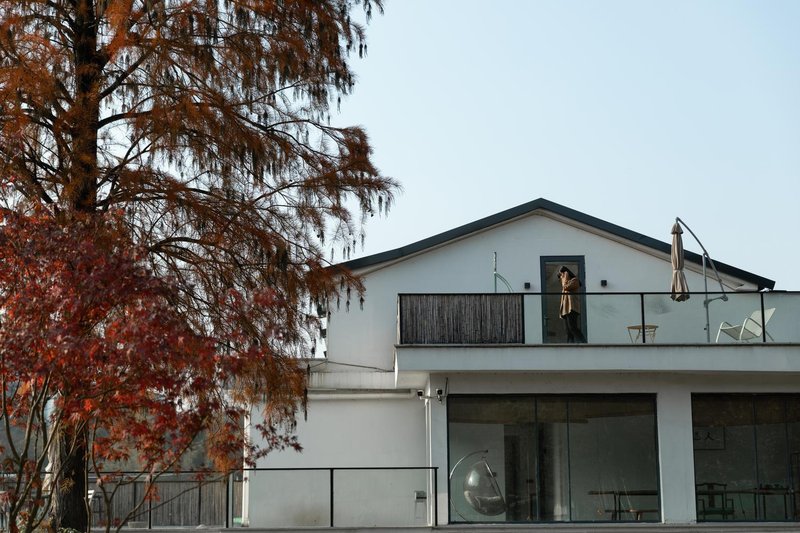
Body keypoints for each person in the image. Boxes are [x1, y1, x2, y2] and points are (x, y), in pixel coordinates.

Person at [558, 266, 586, 343]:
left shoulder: (575, 280)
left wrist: (565, 277)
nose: (562, 278)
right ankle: (570, 345)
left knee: (573, 328)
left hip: (572, 308)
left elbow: (566, 287)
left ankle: (583, 343)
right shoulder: (567, 282)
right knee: (568, 330)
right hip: (565, 310)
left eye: (563, 275)